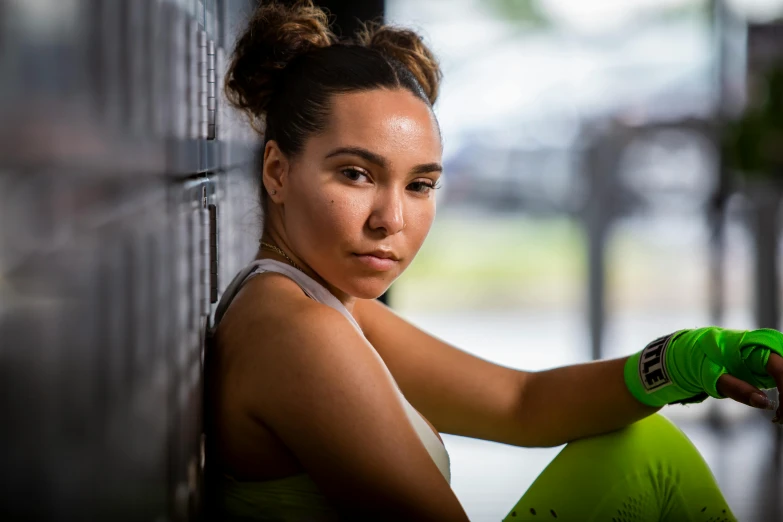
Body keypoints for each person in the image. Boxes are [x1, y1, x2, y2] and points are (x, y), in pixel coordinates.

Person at [203, 1, 783, 520]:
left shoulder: (320, 304)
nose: (392, 219)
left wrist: (684, 358)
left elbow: (521, 405)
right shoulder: (298, 332)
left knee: (640, 443)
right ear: (278, 171)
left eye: (420, 184)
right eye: (356, 174)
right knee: (647, 457)